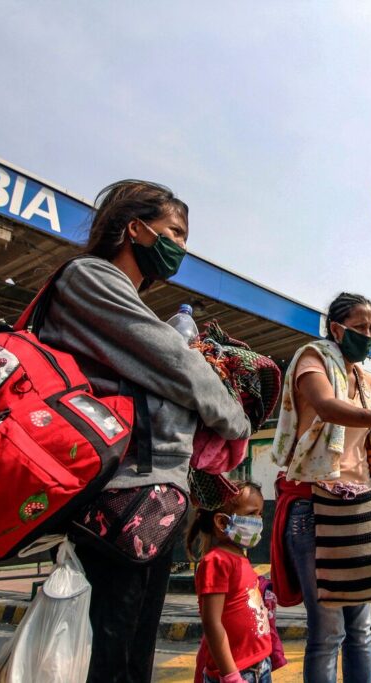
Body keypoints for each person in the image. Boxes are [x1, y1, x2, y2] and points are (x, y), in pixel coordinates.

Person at [39, 179, 251, 682]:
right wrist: (234, 419)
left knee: (133, 654)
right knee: (110, 655)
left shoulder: (124, 300)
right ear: (134, 228)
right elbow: (177, 364)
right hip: (118, 497)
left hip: (150, 498)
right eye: (173, 232)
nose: (181, 246)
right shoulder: (88, 278)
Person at [270, 292, 371, 683]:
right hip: (314, 507)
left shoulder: (364, 379)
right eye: (361, 327)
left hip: (360, 506)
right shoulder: (312, 360)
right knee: (328, 634)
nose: (369, 335)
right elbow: (326, 406)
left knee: (361, 632)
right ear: (336, 328)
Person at [188, 481, 272, 683]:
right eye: (252, 514)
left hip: (259, 667)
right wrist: (231, 676)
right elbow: (212, 622)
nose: (258, 520)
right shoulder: (216, 561)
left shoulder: (240, 557)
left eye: (260, 514)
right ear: (222, 523)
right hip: (238, 673)